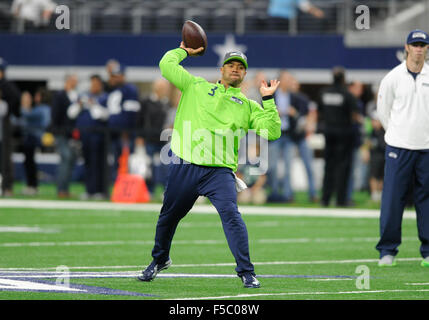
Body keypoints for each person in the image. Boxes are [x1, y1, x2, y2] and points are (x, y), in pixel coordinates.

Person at [138, 44, 281, 288]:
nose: (235, 70)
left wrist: (268, 99)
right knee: (168, 217)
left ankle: (246, 272)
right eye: (231, 66)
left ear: (244, 75)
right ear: (222, 69)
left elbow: (272, 131)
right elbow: (166, 65)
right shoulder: (196, 86)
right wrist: (184, 50)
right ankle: (159, 260)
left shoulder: (246, 105)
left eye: (240, 68)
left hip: (219, 172)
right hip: (186, 164)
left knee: (232, 217)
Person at [375, 29, 429, 268]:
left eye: (422, 45)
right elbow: (383, 112)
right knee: (392, 199)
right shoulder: (393, 77)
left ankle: (428, 251)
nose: (418, 49)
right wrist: (397, 135)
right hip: (399, 147)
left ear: (427, 49)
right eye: (415, 44)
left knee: (426, 200)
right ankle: (387, 250)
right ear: (407, 47)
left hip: (427, 148)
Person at [267, 70, 317, 203]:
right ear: (280, 80)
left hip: (289, 134)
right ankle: (275, 193)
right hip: (274, 134)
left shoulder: (296, 97)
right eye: (287, 79)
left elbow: (304, 115)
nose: (289, 82)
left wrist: (293, 113)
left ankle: (288, 195)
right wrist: (273, 112)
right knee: (272, 166)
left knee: (288, 166)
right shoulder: (270, 95)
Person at [318, 66, 360, 207]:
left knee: (328, 167)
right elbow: (355, 115)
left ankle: (325, 199)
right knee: (343, 168)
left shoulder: (324, 93)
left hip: (329, 133)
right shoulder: (347, 94)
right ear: (343, 79)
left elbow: (319, 112)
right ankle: (341, 200)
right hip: (344, 135)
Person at [67, 74, 109, 200]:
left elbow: (103, 115)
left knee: (98, 163)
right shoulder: (83, 96)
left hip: (98, 136)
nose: (93, 86)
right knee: (88, 163)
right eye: (92, 83)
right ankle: (89, 190)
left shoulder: (104, 97)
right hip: (84, 136)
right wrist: (80, 104)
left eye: (96, 84)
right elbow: (71, 114)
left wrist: (92, 105)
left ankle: (99, 190)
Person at [106, 63, 140, 182]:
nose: (114, 78)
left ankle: (126, 187)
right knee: (115, 161)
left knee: (126, 162)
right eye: (113, 76)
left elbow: (131, 113)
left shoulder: (129, 90)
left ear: (122, 76)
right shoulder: (112, 90)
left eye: (117, 76)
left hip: (124, 134)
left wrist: (126, 131)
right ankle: (118, 188)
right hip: (113, 133)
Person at [136, 78, 171, 193]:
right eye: (162, 88)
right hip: (149, 138)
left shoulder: (166, 103)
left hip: (163, 140)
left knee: (166, 167)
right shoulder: (146, 102)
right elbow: (140, 120)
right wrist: (140, 137)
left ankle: (165, 190)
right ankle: (148, 191)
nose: (164, 90)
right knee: (148, 166)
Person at [51, 73, 79, 198]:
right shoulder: (60, 95)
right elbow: (55, 115)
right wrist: (56, 132)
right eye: (74, 80)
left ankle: (65, 189)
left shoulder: (74, 96)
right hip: (61, 133)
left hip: (70, 135)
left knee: (70, 160)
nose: (75, 83)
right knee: (66, 158)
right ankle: (61, 189)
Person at [19, 88, 51, 195]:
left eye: (37, 96)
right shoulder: (42, 108)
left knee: (29, 162)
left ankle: (32, 186)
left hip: (33, 137)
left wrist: (24, 104)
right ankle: (32, 185)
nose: (35, 98)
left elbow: (26, 115)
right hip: (34, 137)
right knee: (29, 162)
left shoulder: (42, 109)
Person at [0, 57, 21, 196]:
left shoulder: (6, 86)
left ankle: (7, 186)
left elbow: (15, 100)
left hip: (3, 125)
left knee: (5, 156)